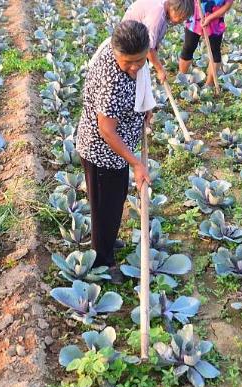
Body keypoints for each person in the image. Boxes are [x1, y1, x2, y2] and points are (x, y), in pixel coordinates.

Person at [76, 20, 153, 284]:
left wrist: (145, 107)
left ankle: (107, 241)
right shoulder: (113, 80)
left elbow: (141, 81)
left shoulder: (134, 60)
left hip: (117, 152)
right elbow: (107, 131)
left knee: (115, 199)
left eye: (139, 60)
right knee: (104, 207)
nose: (134, 67)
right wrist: (136, 164)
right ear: (115, 51)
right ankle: (102, 262)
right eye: (127, 62)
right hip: (102, 153)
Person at [123, 0, 195, 83]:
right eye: (181, 18)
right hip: (129, 46)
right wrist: (160, 70)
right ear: (174, 8)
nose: (180, 21)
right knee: (132, 80)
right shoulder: (156, 16)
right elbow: (149, 48)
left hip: (137, 43)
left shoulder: (164, 6)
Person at [179, 0, 234, 86]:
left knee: (214, 52)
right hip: (195, 17)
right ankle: (182, 79)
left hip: (215, 20)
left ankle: (209, 84)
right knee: (188, 48)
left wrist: (209, 18)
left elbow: (227, 5)